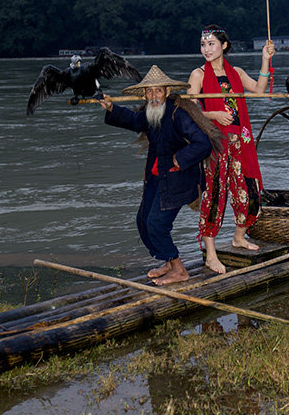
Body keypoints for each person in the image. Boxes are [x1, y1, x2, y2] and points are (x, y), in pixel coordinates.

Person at [99, 65, 221, 285]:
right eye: (149, 91)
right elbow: (134, 121)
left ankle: (179, 270)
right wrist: (110, 108)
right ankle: (167, 260)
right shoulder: (150, 112)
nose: (153, 95)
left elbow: (202, 144)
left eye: (158, 91)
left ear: (166, 92)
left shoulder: (178, 114)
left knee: (156, 225)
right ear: (145, 94)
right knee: (143, 221)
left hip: (176, 179)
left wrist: (179, 158)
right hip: (157, 177)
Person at [187, 25, 275, 274]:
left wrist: (265, 60)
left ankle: (239, 237)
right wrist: (212, 113)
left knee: (249, 191)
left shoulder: (235, 72)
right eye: (203, 44)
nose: (206, 49)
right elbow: (189, 112)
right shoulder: (198, 75)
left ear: (224, 46)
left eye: (211, 44)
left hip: (239, 141)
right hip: (215, 143)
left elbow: (258, 89)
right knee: (214, 196)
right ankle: (210, 254)